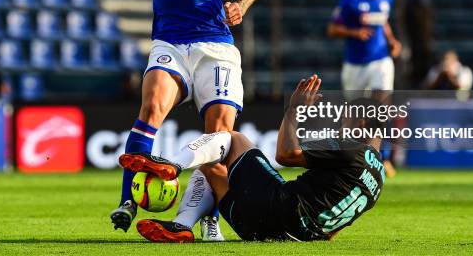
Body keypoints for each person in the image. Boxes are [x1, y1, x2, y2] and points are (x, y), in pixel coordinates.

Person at [42, 0, 267, 240]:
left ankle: (206, 215)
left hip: (215, 45)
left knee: (218, 136)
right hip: (170, 43)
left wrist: (242, 5)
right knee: (150, 109)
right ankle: (128, 201)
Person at [121, 75, 385, 242]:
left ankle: (173, 165)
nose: (340, 123)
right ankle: (186, 226)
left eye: (345, 118)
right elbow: (333, 231)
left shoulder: (352, 149)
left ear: (360, 121)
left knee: (232, 139)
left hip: (274, 208)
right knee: (212, 166)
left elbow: (285, 155)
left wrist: (293, 111)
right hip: (266, 232)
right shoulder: (379, 177)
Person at [326, 0, 401, 91]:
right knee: (357, 110)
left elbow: (383, 22)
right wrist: (355, 33)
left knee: (380, 104)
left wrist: (391, 40)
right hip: (355, 64)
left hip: (381, 59)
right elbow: (332, 29)